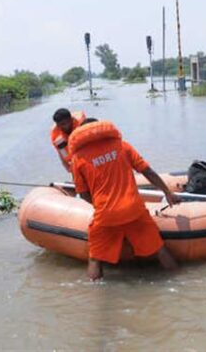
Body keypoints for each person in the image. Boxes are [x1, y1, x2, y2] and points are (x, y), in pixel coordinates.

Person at [68, 120, 179, 280]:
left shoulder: (78, 158)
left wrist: (102, 205)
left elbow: (83, 193)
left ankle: (94, 293)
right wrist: (167, 192)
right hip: (133, 209)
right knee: (159, 249)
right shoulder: (121, 145)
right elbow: (148, 171)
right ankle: (178, 279)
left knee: (95, 258)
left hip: (105, 214)